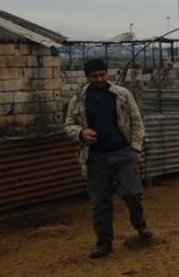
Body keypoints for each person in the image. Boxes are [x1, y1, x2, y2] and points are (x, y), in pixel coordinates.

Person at [64, 58, 151, 258]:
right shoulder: (78, 99)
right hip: (95, 157)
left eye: (102, 74)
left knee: (132, 193)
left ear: (107, 73)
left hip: (123, 153)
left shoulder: (122, 95)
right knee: (99, 202)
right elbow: (68, 124)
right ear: (88, 77)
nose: (99, 79)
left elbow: (137, 122)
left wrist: (135, 149)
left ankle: (140, 225)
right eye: (94, 76)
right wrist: (81, 132)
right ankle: (104, 242)